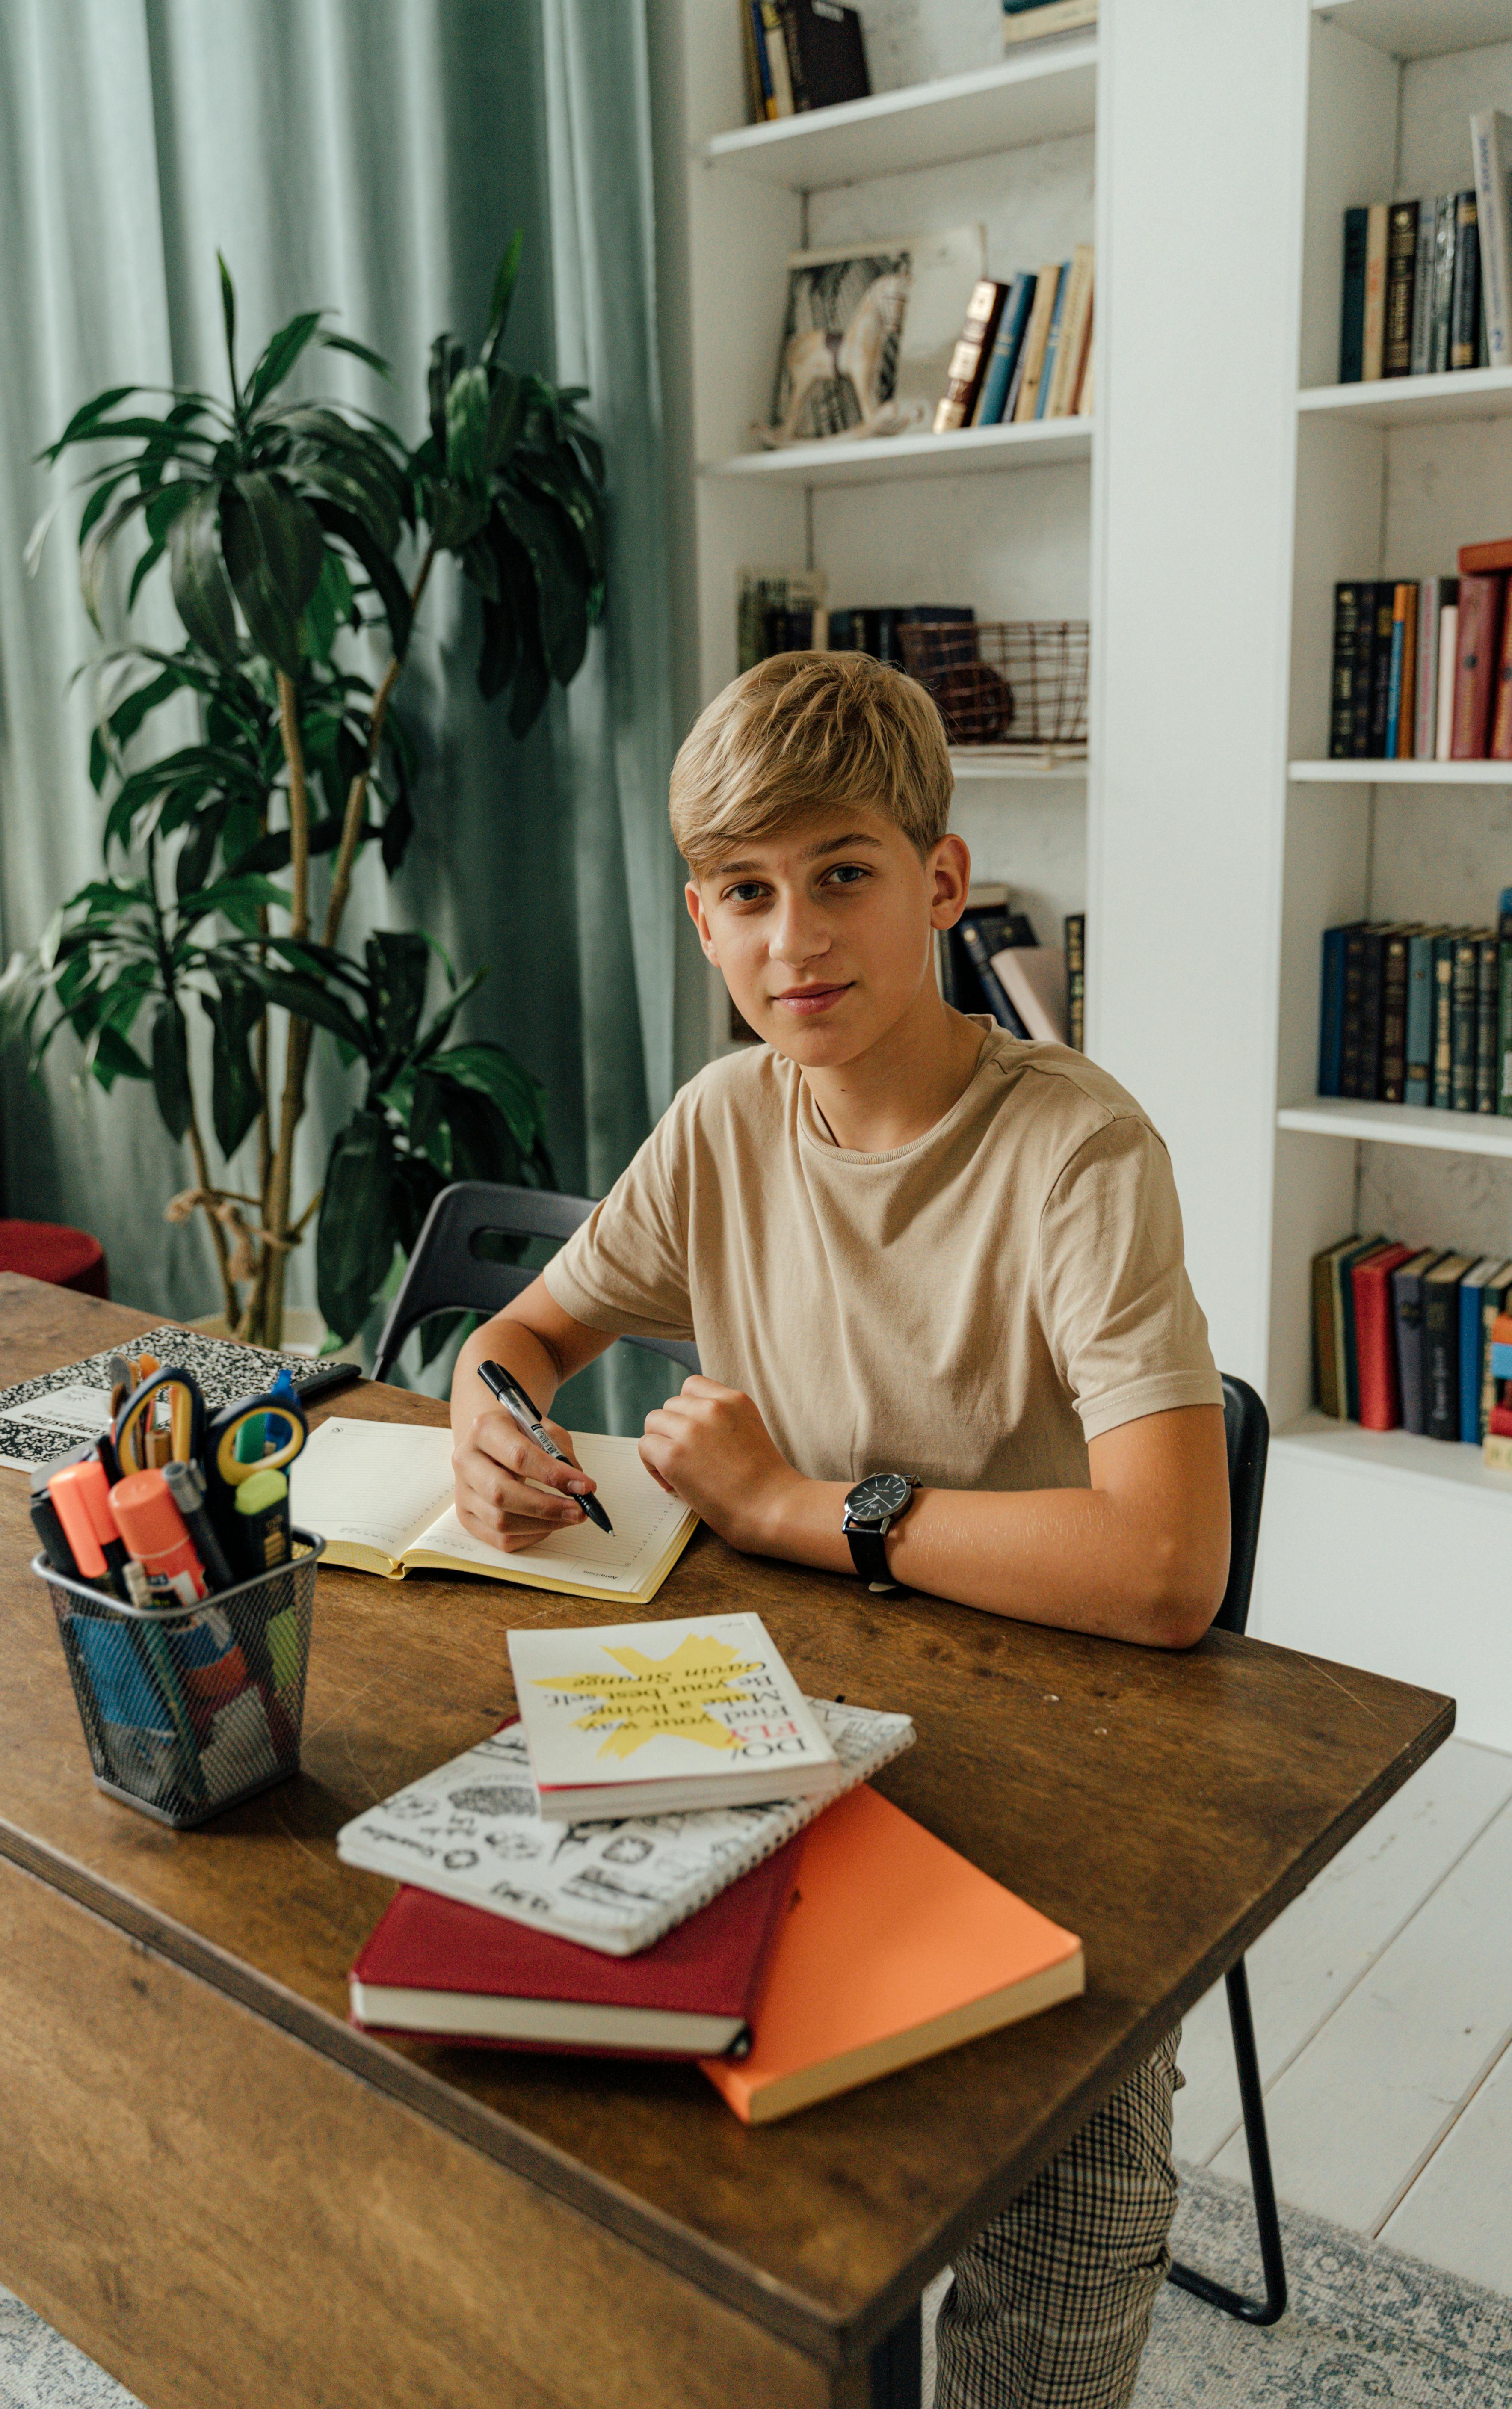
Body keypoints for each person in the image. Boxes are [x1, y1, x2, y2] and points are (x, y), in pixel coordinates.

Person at [450, 649, 1229, 2409]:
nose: (793, 938)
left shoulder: (1079, 1152)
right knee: (609, 2157)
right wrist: (484, 1418)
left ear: (941, 885)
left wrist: (798, 1510)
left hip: (1061, 1753)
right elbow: (526, 1336)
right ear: (702, 922)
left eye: (843, 876)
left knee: (1069, 2214)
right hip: (765, 1724)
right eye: (747, 893)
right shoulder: (724, 1118)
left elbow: (1168, 1572)